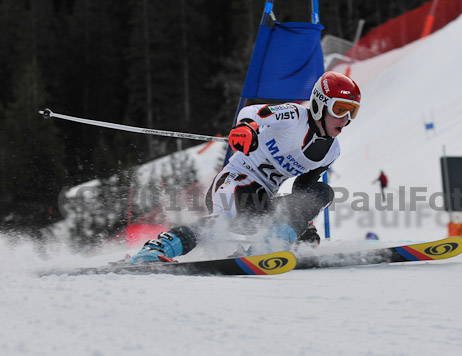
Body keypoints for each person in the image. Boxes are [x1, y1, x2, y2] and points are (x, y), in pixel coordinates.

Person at [125, 71, 361, 263]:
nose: (345, 118)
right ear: (320, 104)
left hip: (261, 204)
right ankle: (159, 247)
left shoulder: (332, 151)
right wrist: (247, 127)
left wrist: (302, 225)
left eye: (352, 112)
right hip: (234, 183)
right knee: (222, 221)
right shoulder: (293, 116)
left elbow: (303, 190)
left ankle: (270, 244)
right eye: (340, 109)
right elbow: (253, 112)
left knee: (323, 192)